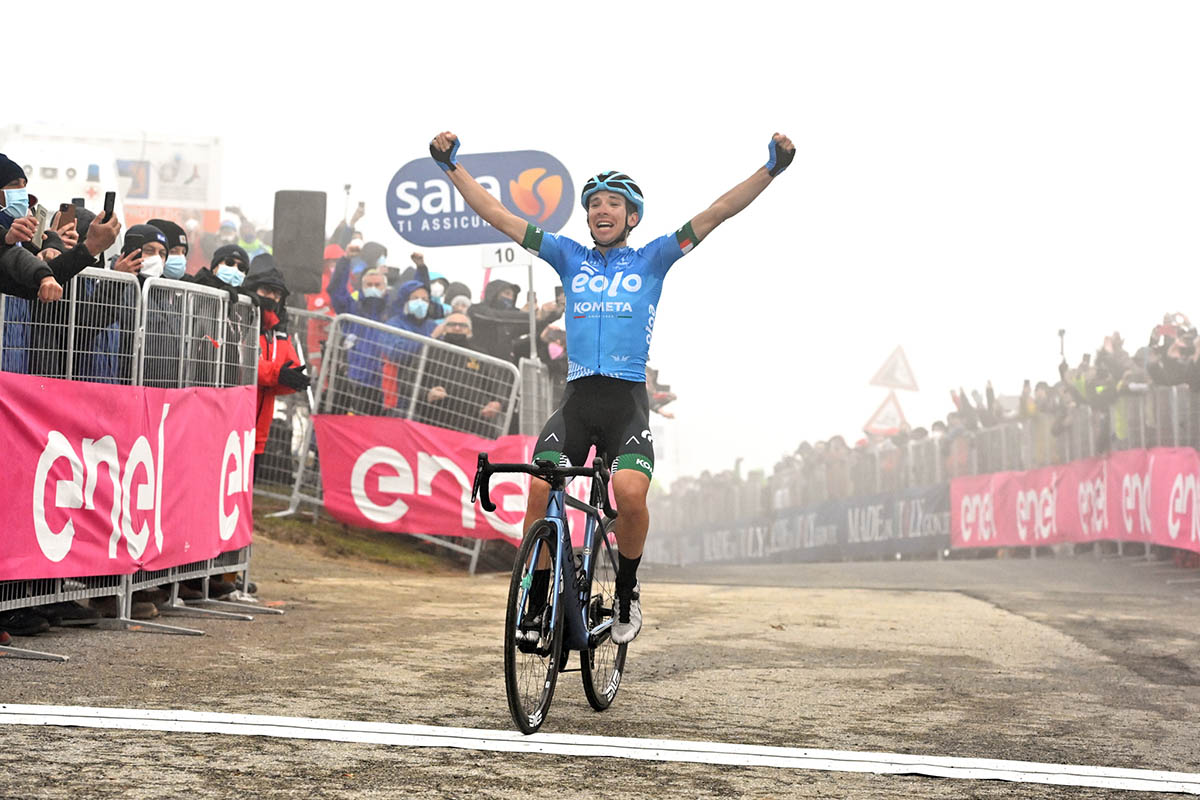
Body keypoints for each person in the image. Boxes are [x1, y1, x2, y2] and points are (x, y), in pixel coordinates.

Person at [429, 129, 795, 644]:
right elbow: (498, 214)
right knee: (540, 487)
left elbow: (717, 212)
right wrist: (450, 166)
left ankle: (626, 590)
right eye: (594, 204)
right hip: (577, 401)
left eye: (613, 203)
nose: (601, 210)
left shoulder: (654, 259)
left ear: (632, 217)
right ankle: (536, 599)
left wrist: (771, 169)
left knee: (628, 493)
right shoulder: (567, 256)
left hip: (625, 404)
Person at [243, 263, 309, 477]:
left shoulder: (277, 331)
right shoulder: (240, 319)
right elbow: (239, 364)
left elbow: (290, 369)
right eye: (267, 291)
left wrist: (287, 379)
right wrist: (277, 375)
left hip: (259, 432)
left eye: (277, 294)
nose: (272, 297)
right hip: (232, 426)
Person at [414, 312, 511, 437]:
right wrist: (426, 394)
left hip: (473, 428)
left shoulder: (480, 355)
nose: (457, 328)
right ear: (443, 329)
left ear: (469, 331)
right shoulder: (430, 350)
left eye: (462, 325)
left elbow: (498, 385)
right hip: (434, 425)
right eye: (452, 324)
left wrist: (498, 403)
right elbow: (408, 381)